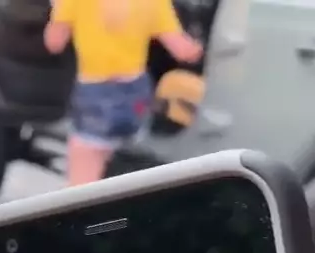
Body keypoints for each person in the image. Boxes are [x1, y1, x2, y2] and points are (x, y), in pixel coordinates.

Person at [42, 0, 203, 186]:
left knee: (82, 182)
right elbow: (183, 51)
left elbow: (54, 43)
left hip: (95, 95)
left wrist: (58, 9)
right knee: (121, 157)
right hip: (135, 96)